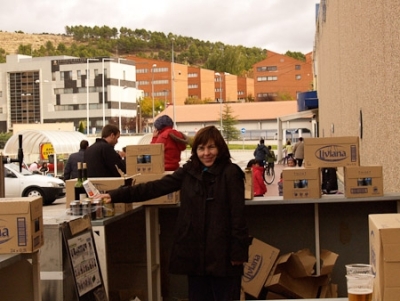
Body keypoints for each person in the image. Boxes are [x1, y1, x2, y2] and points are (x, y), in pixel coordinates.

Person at [100, 125, 250, 301]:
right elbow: (155, 187)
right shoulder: (189, 171)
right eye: (201, 148)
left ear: (220, 148)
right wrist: (115, 195)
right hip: (196, 255)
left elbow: (238, 217)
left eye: (211, 147)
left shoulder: (231, 173)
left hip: (223, 256)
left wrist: (238, 253)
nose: (206, 153)